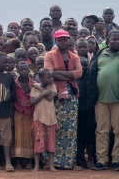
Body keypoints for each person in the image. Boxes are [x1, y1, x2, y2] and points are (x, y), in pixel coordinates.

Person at [44, 29, 82, 170]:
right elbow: (49, 74)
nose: (63, 42)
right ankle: (52, 161)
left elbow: (78, 74)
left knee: (70, 130)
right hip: (55, 96)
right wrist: (70, 75)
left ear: (69, 40)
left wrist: (59, 73)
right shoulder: (49, 55)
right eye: (60, 40)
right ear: (55, 41)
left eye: (65, 39)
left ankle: (68, 161)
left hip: (71, 97)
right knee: (55, 128)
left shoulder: (74, 56)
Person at [88, 29, 119, 170]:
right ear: (108, 41)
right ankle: (101, 160)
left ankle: (117, 160)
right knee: (101, 131)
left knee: (118, 131)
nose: (117, 41)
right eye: (114, 39)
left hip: (118, 100)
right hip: (100, 100)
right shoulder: (100, 55)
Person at [30, 68, 58, 172]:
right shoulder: (34, 87)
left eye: (52, 76)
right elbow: (32, 101)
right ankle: (36, 165)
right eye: (49, 77)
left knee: (51, 143)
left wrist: (41, 91)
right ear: (41, 78)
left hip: (50, 119)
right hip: (39, 118)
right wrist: (42, 94)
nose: (51, 78)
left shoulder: (53, 86)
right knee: (38, 142)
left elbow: (50, 98)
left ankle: (51, 165)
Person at [12, 61, 36, 169]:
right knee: (17, 135)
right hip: (18, 111)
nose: (23, 71)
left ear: (29, 69)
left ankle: (30, 162)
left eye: (25, 69)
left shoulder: (33, 84)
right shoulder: (14, 83)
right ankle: (17, 161)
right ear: (17, 70)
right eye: (21, 69)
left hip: (31, 112)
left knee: (30, 135)